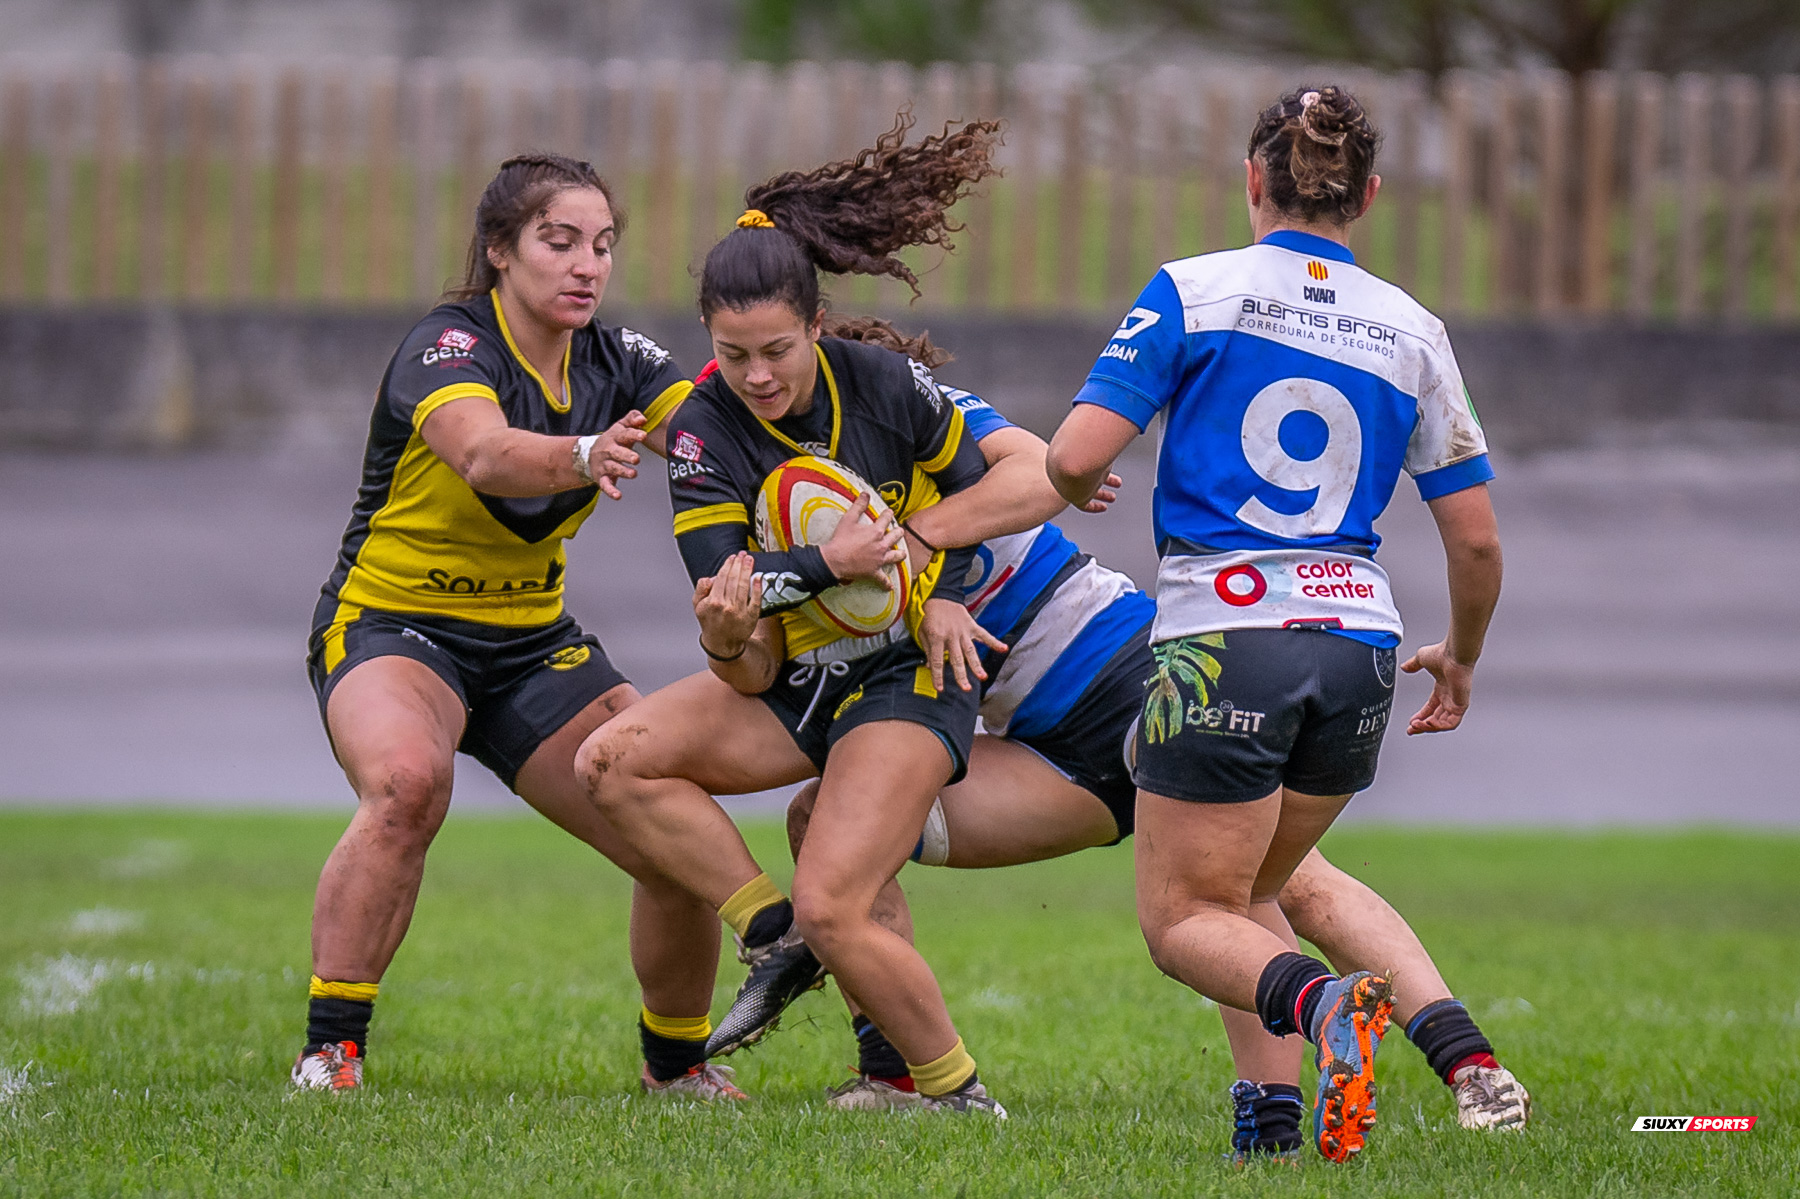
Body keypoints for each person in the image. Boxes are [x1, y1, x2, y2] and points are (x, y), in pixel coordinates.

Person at [774, 372, 1527, 1157]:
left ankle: (1467, 1065)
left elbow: (1047, 469)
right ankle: (895, 1073)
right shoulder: (803, 483)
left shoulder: (928, 434)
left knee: (1281, 882)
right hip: (1051, 756)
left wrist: (946, 554)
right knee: (828, 818)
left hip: (1125, 679)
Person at [1043, 86, 1505, 1163]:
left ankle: (1328, 1003)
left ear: (1253, 181)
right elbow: (1477, 544)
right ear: (1369, 196)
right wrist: (1464, 655)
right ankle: (1272, 1131)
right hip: (1360, 645)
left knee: (1182, 919)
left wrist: (1077, 482)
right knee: (1248, 890)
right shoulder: (1412, 328)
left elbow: (1071, 454)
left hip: (1224, 633)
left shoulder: (1191, 291)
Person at [576, 116, 1021, 1115]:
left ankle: (955, 1094)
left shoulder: (886, 384)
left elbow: (981, 506)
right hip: (791, 676)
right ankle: (771, 931)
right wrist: (757, 609)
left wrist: (945, 590)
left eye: (777, 350)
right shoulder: (697, 430)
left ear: (818, 328)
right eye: (733, 356)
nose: (759, 376)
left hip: (905, 674)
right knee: (610, 759)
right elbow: (731, 611)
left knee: (841, 894)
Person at [295, 154, 744, 1101]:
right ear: (500, 251)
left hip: (532, 640)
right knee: (408, 785)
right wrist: (589, 449)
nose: (587, 264)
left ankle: (677, 1067)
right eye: (559, 241)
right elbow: (487, 454)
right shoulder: (448, 345)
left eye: (604, 245)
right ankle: (332, 1052)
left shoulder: (621, 360)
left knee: (663, 811)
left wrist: (857, 407)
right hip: (393, 624)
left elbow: (727, 429)